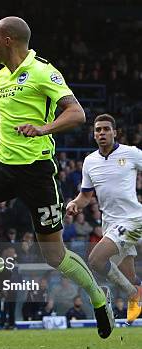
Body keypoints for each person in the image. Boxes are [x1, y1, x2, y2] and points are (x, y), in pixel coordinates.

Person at [0, 16, 114, 338]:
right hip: (4, 165)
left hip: (37, 171)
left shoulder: (42, 72)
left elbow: (76, 113)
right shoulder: (0, 79)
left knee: (55, 256)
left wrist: (43, 128)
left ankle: (97, 297)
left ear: (8, 39)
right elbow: (9, 116)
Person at [66, 113, 141, 323]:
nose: (102, 133)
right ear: (94, 134)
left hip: (133, 220)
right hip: (109, 223)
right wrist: (74, 204)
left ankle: (134, 294)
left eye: (106, 129)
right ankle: (136, 290)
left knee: (96, 260)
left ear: (114, 133)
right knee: (130, 277)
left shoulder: (131, 153)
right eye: (98, 130)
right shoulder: (90, 161)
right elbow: (86, 196)